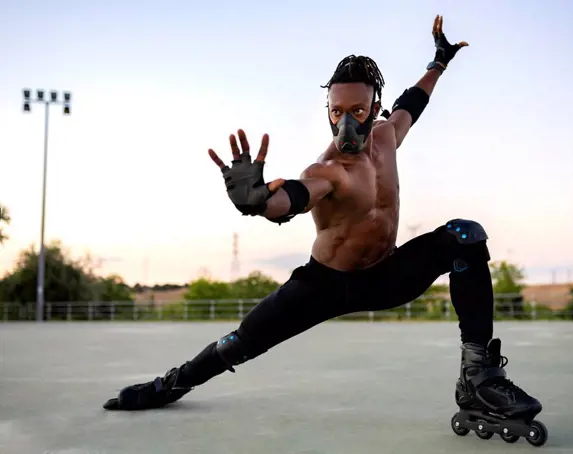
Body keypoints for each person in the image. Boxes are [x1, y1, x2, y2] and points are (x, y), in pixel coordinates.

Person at [103, 16, 543, 433]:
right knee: (241, 341)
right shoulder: (328, 169)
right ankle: (171, 384)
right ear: (327, 109)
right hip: (324, 286)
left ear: (374, 107)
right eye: (336, 111)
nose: (345, 121)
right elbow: (292, 196)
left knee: (463, 237)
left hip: (387, 276)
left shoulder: (387, 136)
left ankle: (477, 377)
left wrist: (439, 63)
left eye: (357, 109)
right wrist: (259, 202)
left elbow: (413, 102)